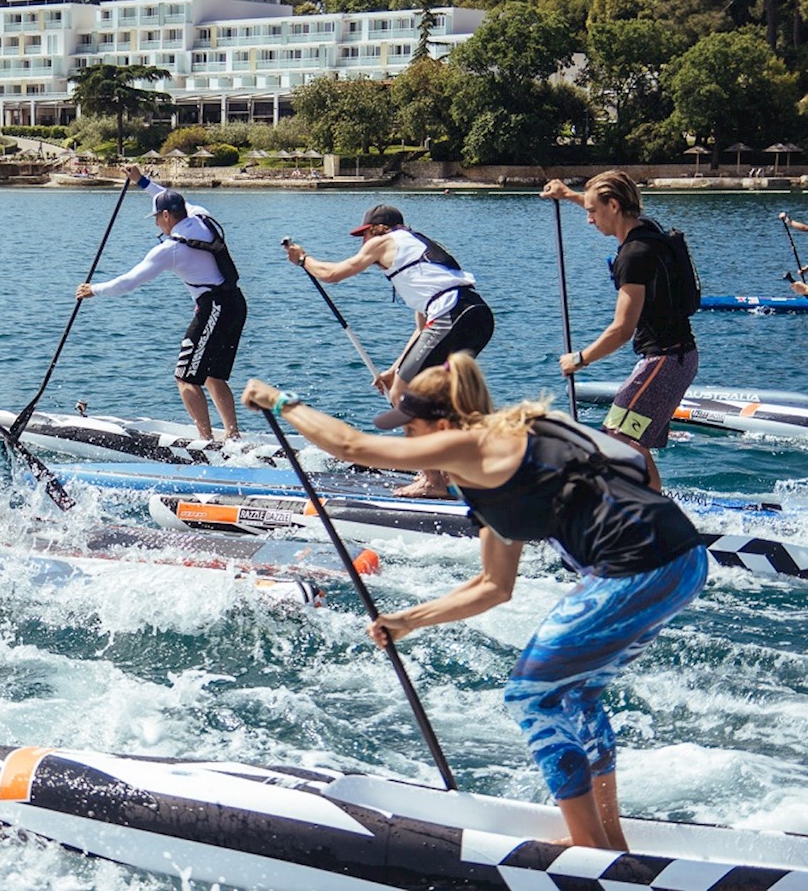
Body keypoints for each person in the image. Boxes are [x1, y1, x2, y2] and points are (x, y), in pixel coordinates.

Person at [240, 352, 707, 851]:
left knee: (532, 693)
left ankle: (589, 850)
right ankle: (610, 843)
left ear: (442, 424)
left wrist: (281, 401)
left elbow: (353, 445)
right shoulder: (502, 467)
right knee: (575, 694)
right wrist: (406, 621)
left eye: (411, 427)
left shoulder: (476, 442)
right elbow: (493, 586)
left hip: (636, 566)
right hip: (681, 559)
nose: (408, 438)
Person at [283, 204, 494, 497]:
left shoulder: (386, 241)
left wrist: (304, 259)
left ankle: (433, 481)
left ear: (377, 229)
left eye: (364, 235)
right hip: (476, 316)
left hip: (453, 314)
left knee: (403, 396)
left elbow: (332, 274)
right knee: (435, 396)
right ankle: (458, 468)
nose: (363, 243)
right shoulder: (418, 249)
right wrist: (394, 370)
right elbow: (423, 330)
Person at [542, 172, 698, 490]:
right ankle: (655, 506)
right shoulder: (648, 229)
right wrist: (568, 194)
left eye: (591, 212)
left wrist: (580, 359)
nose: (588, 220)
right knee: (628, 437)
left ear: (613, 205)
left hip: (664, 362)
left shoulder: (633, 256)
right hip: (679, 358)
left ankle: (652, 516)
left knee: (619, 435)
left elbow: (621, 330)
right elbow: (604, 205)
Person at [76, 164, 247, 441]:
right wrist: (141, 181)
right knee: (213, 374)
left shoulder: (170, 250)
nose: (157, 223)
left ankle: (206, 442)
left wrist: (94, 290)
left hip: (214, 307)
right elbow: (168, 194)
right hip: (236, 303)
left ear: (167, 216)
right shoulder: (201, 216)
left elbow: (128, 282)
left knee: (185, 377)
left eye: (158, 217)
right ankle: (232, 436)